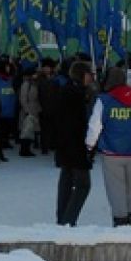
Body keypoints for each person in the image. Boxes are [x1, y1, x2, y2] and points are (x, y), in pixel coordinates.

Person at [86, 66, 131, 228]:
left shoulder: (104, 100)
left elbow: (95, 125)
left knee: (116, 189)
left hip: (112, 151)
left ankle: (120, 222)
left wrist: (89, 144)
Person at [55, 61, 93, 226]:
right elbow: (80, 122)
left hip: (65, 145)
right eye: (88, 74)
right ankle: (68, 220)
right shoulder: (77, 94)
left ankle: (62, 219)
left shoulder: (67, 90)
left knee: (66, 181)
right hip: (76, 145)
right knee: (83, 185)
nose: (91, 77)